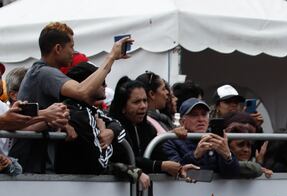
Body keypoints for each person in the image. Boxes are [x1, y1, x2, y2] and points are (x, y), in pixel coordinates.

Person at [10, 22, 132, 173]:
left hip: (32, 165)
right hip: (31, 167)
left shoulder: (39, 72)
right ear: (58, 49)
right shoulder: (44, 73)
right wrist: (111, 57)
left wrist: (60, 123)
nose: (73, 52)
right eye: (71, 46)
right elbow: (82, 90)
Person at [161, 98, 240, 177]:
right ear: (182, 121)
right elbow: (175, 171)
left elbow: (233, 175)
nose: (201, 119)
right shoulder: (171, 140)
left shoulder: (217, 139)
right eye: (194, 115)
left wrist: (227, 156)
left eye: (204, 114)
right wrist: (195, 156)